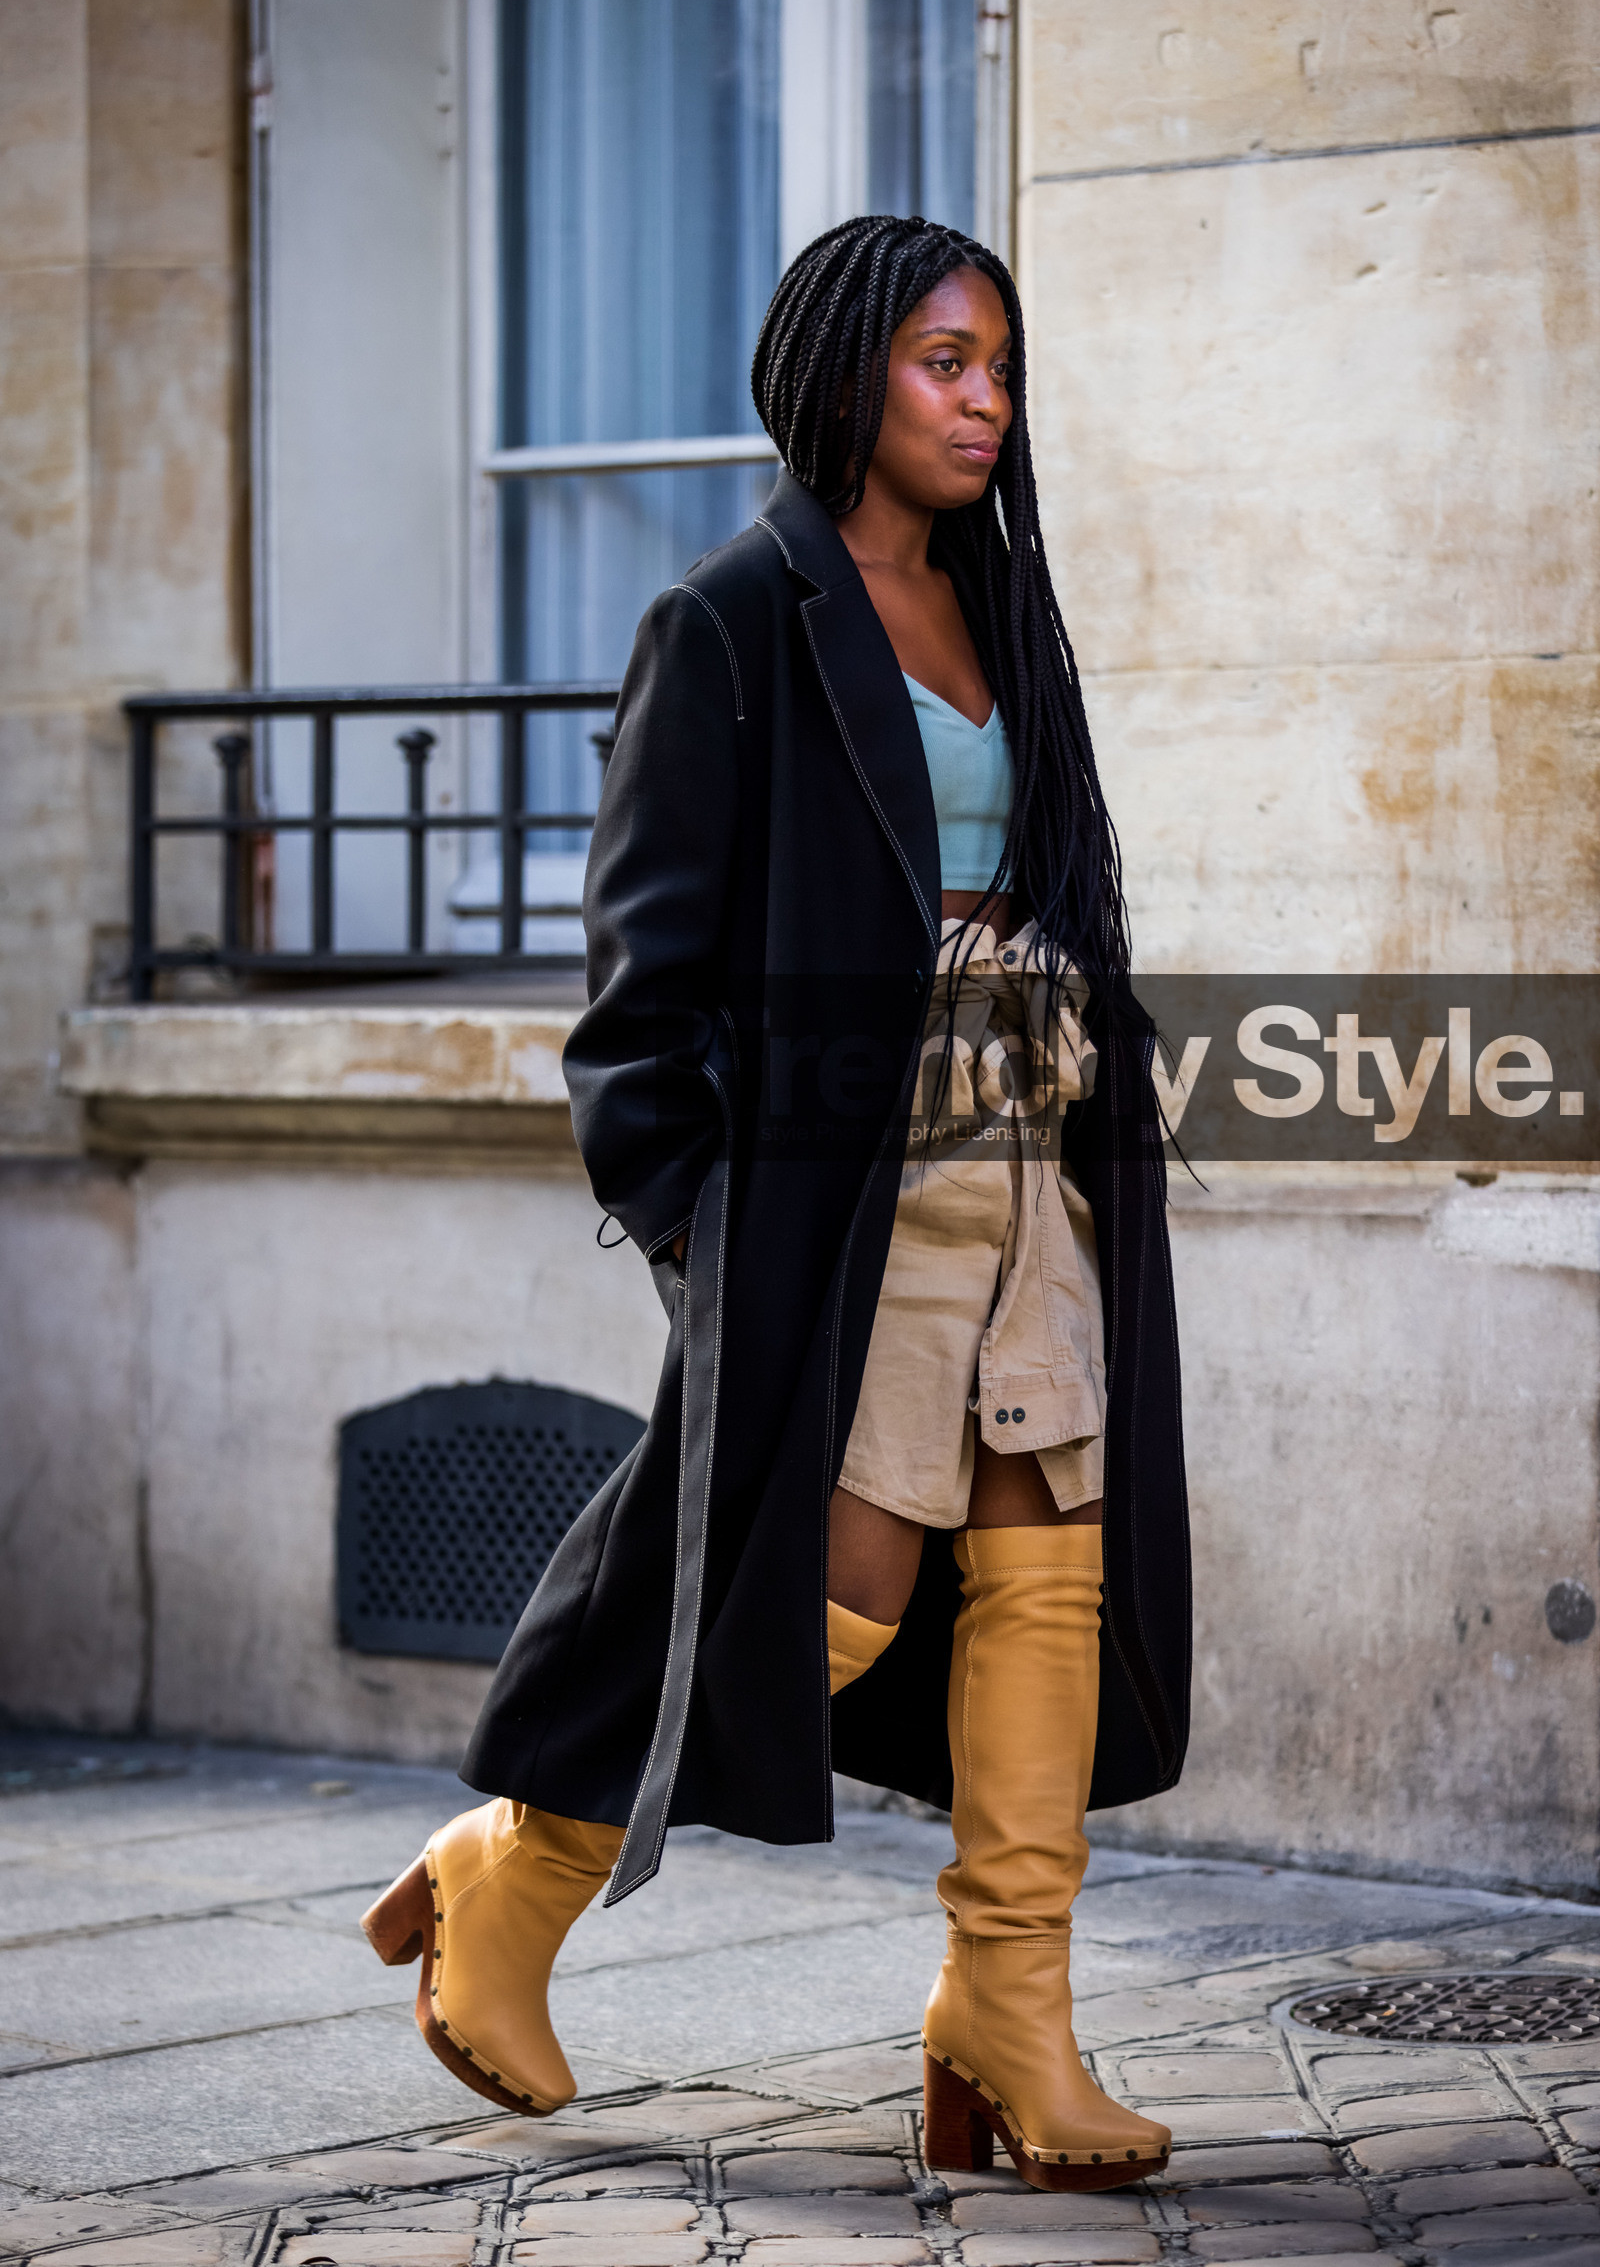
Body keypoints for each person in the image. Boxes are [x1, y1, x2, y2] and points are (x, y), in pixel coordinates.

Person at [362, 215, 1191, 2194]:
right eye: (943, 362)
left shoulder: (1002, 601)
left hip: (1038, 1139)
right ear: (842, 373)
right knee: (840, 1583)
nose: (985, 403)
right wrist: (697, 1227)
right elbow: (639, 985)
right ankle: (513, 1871)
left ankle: (1007, 2020)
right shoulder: (732, 617)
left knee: (1052, 1551)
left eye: (1000, 366)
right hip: (845, 1172)